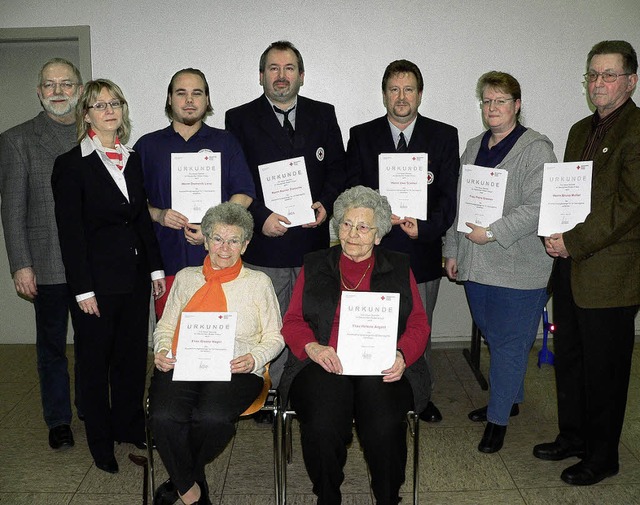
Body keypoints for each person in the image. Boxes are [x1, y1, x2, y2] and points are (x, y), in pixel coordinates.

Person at [279, 186, 429, 505]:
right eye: (347, 224)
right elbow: (292, 321)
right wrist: (313, 348)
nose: (353, 233)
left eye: (363, 227)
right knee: (321, 424)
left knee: (385, 423)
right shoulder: (317, 263)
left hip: (383, 361)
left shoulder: (399, 266)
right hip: (323, 359)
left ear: (378, 235)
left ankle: (388, 496)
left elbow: (418, 323)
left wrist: (402, 355)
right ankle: (327, 494)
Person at [534, 40, 640, 486]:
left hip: (610, 273)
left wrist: (571, 241)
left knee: (606, 370)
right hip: (572, 266)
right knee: (572, 359)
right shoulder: (580, 129)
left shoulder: (636, 130)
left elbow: (629, 205)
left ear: (631, 81)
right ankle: (573, 437)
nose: (598, 83)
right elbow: (569, 193)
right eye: (593, 74)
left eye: (609, 75)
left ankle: (603, 455)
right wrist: (550, 229)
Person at [52, 79, 166, 473]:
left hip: (133, 280)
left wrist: (155, 268)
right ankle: (100, 441)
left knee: (132, 357)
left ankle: (128, 425)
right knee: (94, 363)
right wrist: (82, 289)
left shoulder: (131, 159)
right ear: (86, 114)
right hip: (94, 285)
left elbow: (140, 221)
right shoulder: (70, 164)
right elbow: (70, 233)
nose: (108, 110)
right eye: (99, 105)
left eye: (114, 102)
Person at [443, 71, 556, 453]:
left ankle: (498, 420)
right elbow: (459, 204)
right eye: (487, 101)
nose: (493, 108)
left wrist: (492, 232)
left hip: (518, 267)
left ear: (517, 105)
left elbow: (538, 207)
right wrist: (452, 249)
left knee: (508, 345)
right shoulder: (474, 145)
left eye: (501, 101)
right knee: (495, 335)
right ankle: (511, 398)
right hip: (476, 263)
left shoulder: (536, 148)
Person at [225, 40, 346, 391]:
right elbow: (237, 176)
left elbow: (338, 168)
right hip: (267, 242)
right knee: (271, 321)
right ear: (261, 76)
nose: (281, 76)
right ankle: (272, 392)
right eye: (273, 69)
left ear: (302, 76)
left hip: (312, 241)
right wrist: (259, 215)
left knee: (313, 318)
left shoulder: (323, 114)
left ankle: (308, 389)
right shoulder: (239, 118)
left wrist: (325, 202)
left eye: (289, 68)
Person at [346, 59, 460, 423]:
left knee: (419, 329)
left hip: (421, 250)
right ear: (383, 95)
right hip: (374, 251)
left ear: (420, 94)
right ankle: (375, 394)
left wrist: (424, 228)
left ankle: (420, 397)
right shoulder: (362, 135)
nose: (401, 96)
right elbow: (353, 193)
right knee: (377, 327)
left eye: (408, 89)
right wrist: (377, 222)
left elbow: (447, 196)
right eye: (394, 89)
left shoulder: (443, 135)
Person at [149, 202, 284, 505]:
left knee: (213, 419)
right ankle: (192, 489)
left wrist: (255, 358)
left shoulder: (258, 283)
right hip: (183, 363)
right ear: (206, 240)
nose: (225, 247)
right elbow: (166, 326)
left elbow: (276, 337)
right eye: (218, 239)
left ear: (245, 245)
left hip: (235, 369)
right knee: (163, 415)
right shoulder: (185, 278)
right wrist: (160, 349)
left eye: (234, 240)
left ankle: (181, 481)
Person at [0, 58, 84, 449]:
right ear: (39, 92)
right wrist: (21, 265)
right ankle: (58, 420)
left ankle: (89, 408)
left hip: (92, 263)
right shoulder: (17, 139)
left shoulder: (96, 133)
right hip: (47, 262)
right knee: (52, 347)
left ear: (79, 90)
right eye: (50, 85)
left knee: (92, 343)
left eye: (66, 84)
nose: (58, 92)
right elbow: (12, 209)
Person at [134, 68, 256, 317]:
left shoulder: (226, 142)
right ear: (170, 99)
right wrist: (158, 215)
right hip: (166, 261)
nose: (189, 101)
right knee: (170, 337)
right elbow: (130, 203)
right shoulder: (147, 146)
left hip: (220, 260)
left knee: (217, 336)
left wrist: (214, 230)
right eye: (181, 93)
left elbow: (244, 193)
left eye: (196, 93)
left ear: (207, 100)